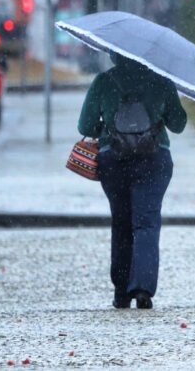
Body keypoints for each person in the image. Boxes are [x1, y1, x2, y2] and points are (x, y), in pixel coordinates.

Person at [78, 52, 187, 310]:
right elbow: (179, 124)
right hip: (154, 159)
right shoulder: (161, 81)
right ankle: (143, 289)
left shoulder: (104, 81)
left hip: (113, 161)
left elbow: (86, 126)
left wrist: (109, 125)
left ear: (114, 54)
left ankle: (121, 291)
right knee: (147, 223)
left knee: (122, 222)